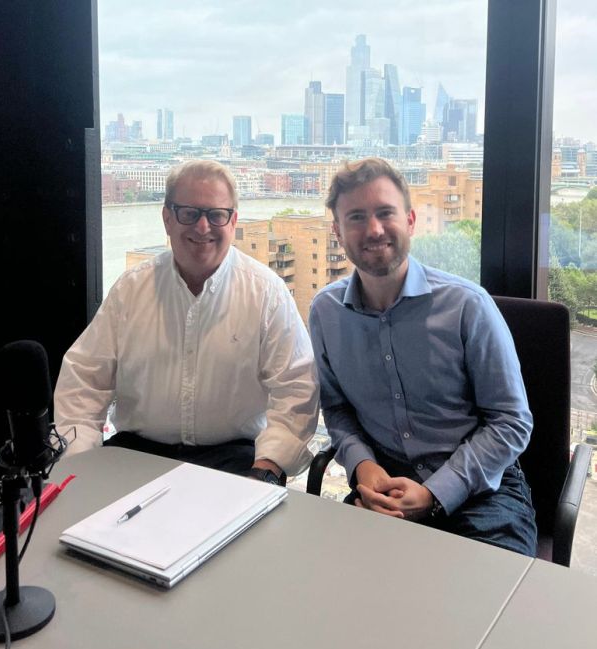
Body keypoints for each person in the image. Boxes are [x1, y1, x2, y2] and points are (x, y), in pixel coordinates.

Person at [309, 157, 537, 555]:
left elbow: (511, 421)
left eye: (385, 213)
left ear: (410, 221)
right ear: (338, 232)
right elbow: (338, 409)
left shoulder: (468, 306)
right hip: (383, 488)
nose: (374, 229)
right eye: (357, 217)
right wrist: (362, 465)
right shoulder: (326, 313)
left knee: (486, 592)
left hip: (480, 492)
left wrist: (435, 492)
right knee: (333, 584)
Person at [55, 160, 318, 484]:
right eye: (189, 213)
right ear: (167, 219)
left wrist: (267, 467)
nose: (203, 227)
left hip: (236, 461)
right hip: (135, 455)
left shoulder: (266, 293)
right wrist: (81, 459)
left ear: (233, 221)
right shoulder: (131, 290)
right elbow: (84, 378)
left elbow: (296, 388)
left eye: (216, 214)